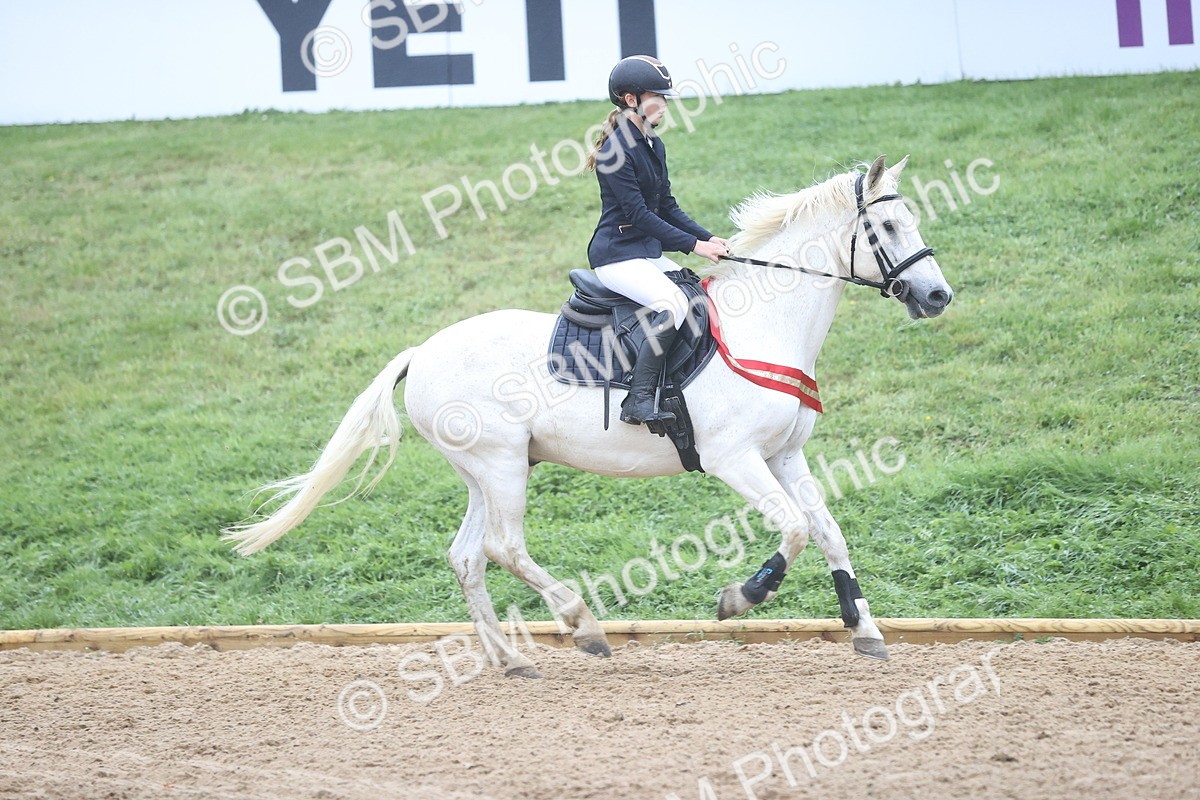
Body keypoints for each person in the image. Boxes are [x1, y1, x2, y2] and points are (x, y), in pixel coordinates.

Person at [585, 55, 731, 427]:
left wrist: (708, 236)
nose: (664, 105)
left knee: (697, 294)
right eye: (656, 97)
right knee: (671, 305)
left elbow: (666, 206)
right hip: (616, 256)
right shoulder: (614, 151)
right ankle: (638, 398)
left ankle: (680, 382)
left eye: (665, 98)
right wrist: (695, 247)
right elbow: (640, 216)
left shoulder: (654, 144)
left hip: (643, 253)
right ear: (630, 99)